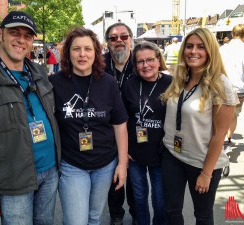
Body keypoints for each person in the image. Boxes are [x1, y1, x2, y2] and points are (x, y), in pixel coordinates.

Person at [0, 11, 61, 225]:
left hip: (50, 171)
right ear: (0, 34)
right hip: (14, 180)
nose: (21, 40)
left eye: (27, 35)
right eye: (14, 32)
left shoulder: (38, 72)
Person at [48, 27, 128, 225]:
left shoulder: (108, 82)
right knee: (76, 221)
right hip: (72, 164)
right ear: (68, 53)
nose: (82, 54)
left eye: (88, 49)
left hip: (105, 164)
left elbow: (120, 125)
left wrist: (122, 164)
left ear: (96, 53)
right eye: (76, 49)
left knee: (94, 217)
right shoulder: (54, 83)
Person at [161, 27, 239, 225]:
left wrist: (206, 174)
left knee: (202, 216)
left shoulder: (220, 84)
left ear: (210, 51)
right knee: (171, 210)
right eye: (189, 46)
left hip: (202, 162)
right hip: (172, 155)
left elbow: (220, 135)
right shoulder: (180, 77)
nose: (193, 51)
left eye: (200, 47)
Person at [122, 41, 172, 225]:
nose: (145, 65)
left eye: (150, 60)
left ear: (159, 60)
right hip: (135, 153)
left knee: (160, 201)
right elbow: (122, 119)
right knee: (139, 198)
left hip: (161, 154)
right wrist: (123, 150)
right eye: (140, 61)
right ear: (135, 65)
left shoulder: (171, 83)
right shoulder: (130, 85)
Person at [103, 22, 135, 225]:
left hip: (136, 132)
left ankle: (137, 212)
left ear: (131, 39)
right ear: (108, 43)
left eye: (124, 36)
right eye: (114, 38)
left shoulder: (141, 62)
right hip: (106, 133)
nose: (119, 41)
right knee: (113, 179)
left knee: (135, 181)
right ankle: (116, 215)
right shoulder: (98, 64)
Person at [220, 24, 244, 148]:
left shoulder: (223, 49)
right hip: (240, 88)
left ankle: (219, 139)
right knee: (234, 115)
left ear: (232, 34)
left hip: (222, 86)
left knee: (220, 114)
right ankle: (228, 139)